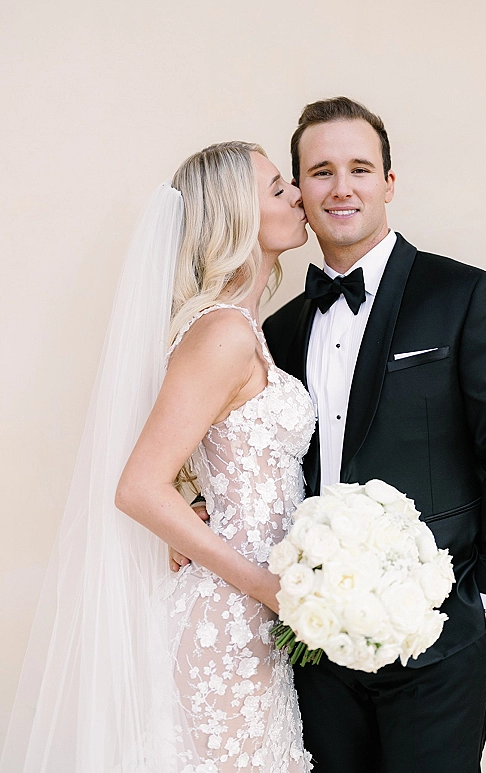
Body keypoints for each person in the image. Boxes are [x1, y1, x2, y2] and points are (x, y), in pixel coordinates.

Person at [1, 142, 315, 773]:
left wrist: (198, 496)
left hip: (257, 618)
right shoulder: (223, 333)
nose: (299, 195)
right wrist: (265, 587)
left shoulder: (243, 331)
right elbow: (139, 487)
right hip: (230, 617)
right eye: (279, 189)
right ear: (236, 219)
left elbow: (203, 455)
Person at [259, 98, 486, 773]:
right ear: (300, 191)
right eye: (322, 170)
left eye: (360, 168)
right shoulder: (275, 331)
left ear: (389, 183)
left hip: (440, 637)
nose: (342, 187)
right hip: (312, 649)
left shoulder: (467, 295)